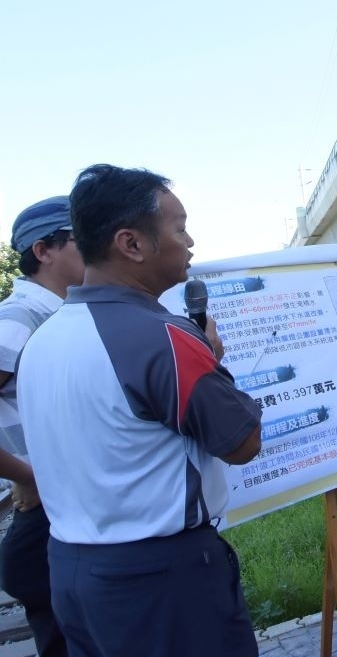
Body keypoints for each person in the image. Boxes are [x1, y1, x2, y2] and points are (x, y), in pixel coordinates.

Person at [17, 165, 263, 657]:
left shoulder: (42, 340)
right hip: (163, 580)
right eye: (179, 227)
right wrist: (210, 357)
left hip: (70, 568)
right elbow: (241, 443)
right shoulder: (164, 337)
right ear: (131, 244)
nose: (190, 241)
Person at [0, 197, 84, 657]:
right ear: (43, 250)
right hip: (46, 509)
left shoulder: (61, 313)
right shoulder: (19, 320)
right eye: (80, 240)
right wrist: (26, 474)